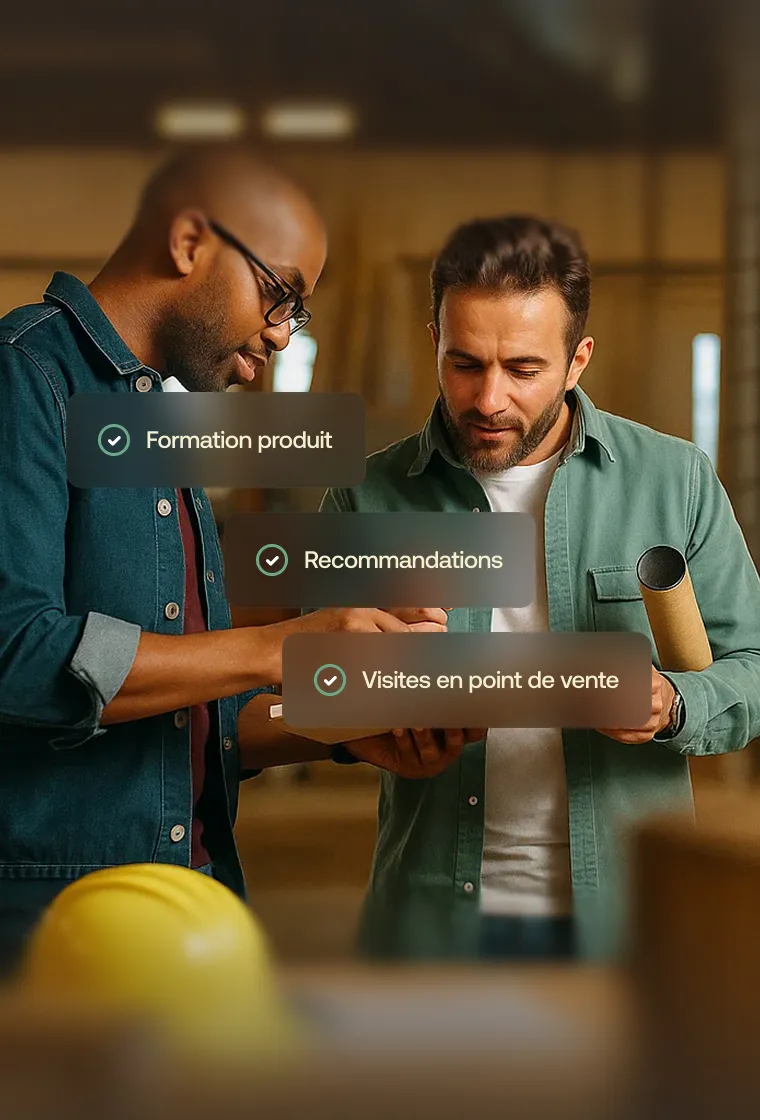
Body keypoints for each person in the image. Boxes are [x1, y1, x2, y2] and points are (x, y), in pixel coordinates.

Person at [0, 145, 471, 973]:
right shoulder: (25, 379)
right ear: (189, 242)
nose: (284, 334)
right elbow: (17, 654)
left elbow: (174, 710)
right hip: (61, 938)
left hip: (186, 917)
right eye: (279, 292)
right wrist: (282, 647)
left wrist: (338, 732)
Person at [320, 215, 760, 962]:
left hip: (627, 926)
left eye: (523, 369)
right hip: (431, 929)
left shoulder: (674, 480)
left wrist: (674, 704)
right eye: (464, 364)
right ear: (434, 342)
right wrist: (367, 707)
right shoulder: (367, 498)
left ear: (578, 359)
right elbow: (302, 694)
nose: (489, 399)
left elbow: (751, 664)